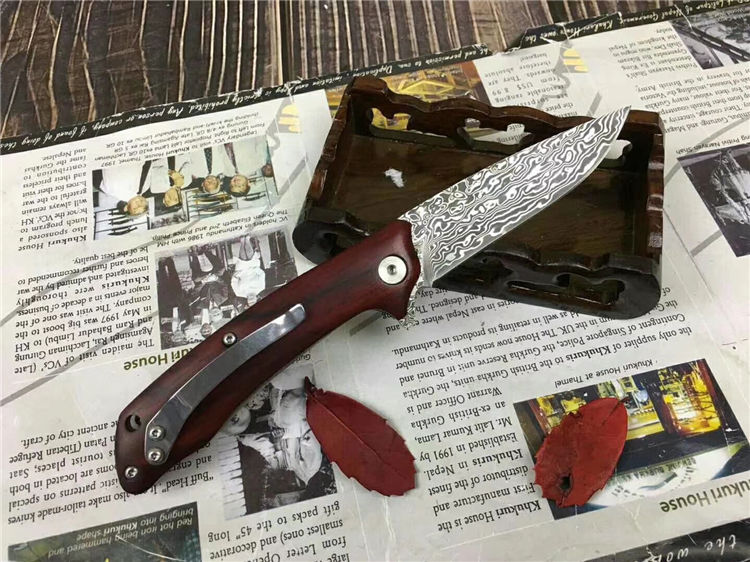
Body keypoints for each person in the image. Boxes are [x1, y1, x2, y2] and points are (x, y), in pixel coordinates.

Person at [230, 236, 266, 306]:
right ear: (256, 299)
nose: (251, 300)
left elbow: (233, 282)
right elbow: (262, 274)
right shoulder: (261, 287)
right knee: (250, 259)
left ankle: (243, 241)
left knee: (243, 260)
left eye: (250, 302)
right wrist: (255, 269)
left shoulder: (239, 293)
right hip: (254, 268)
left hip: (241, 271)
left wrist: (237, 274)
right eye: (253, 301)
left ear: (247, 302)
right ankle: (246, 240)